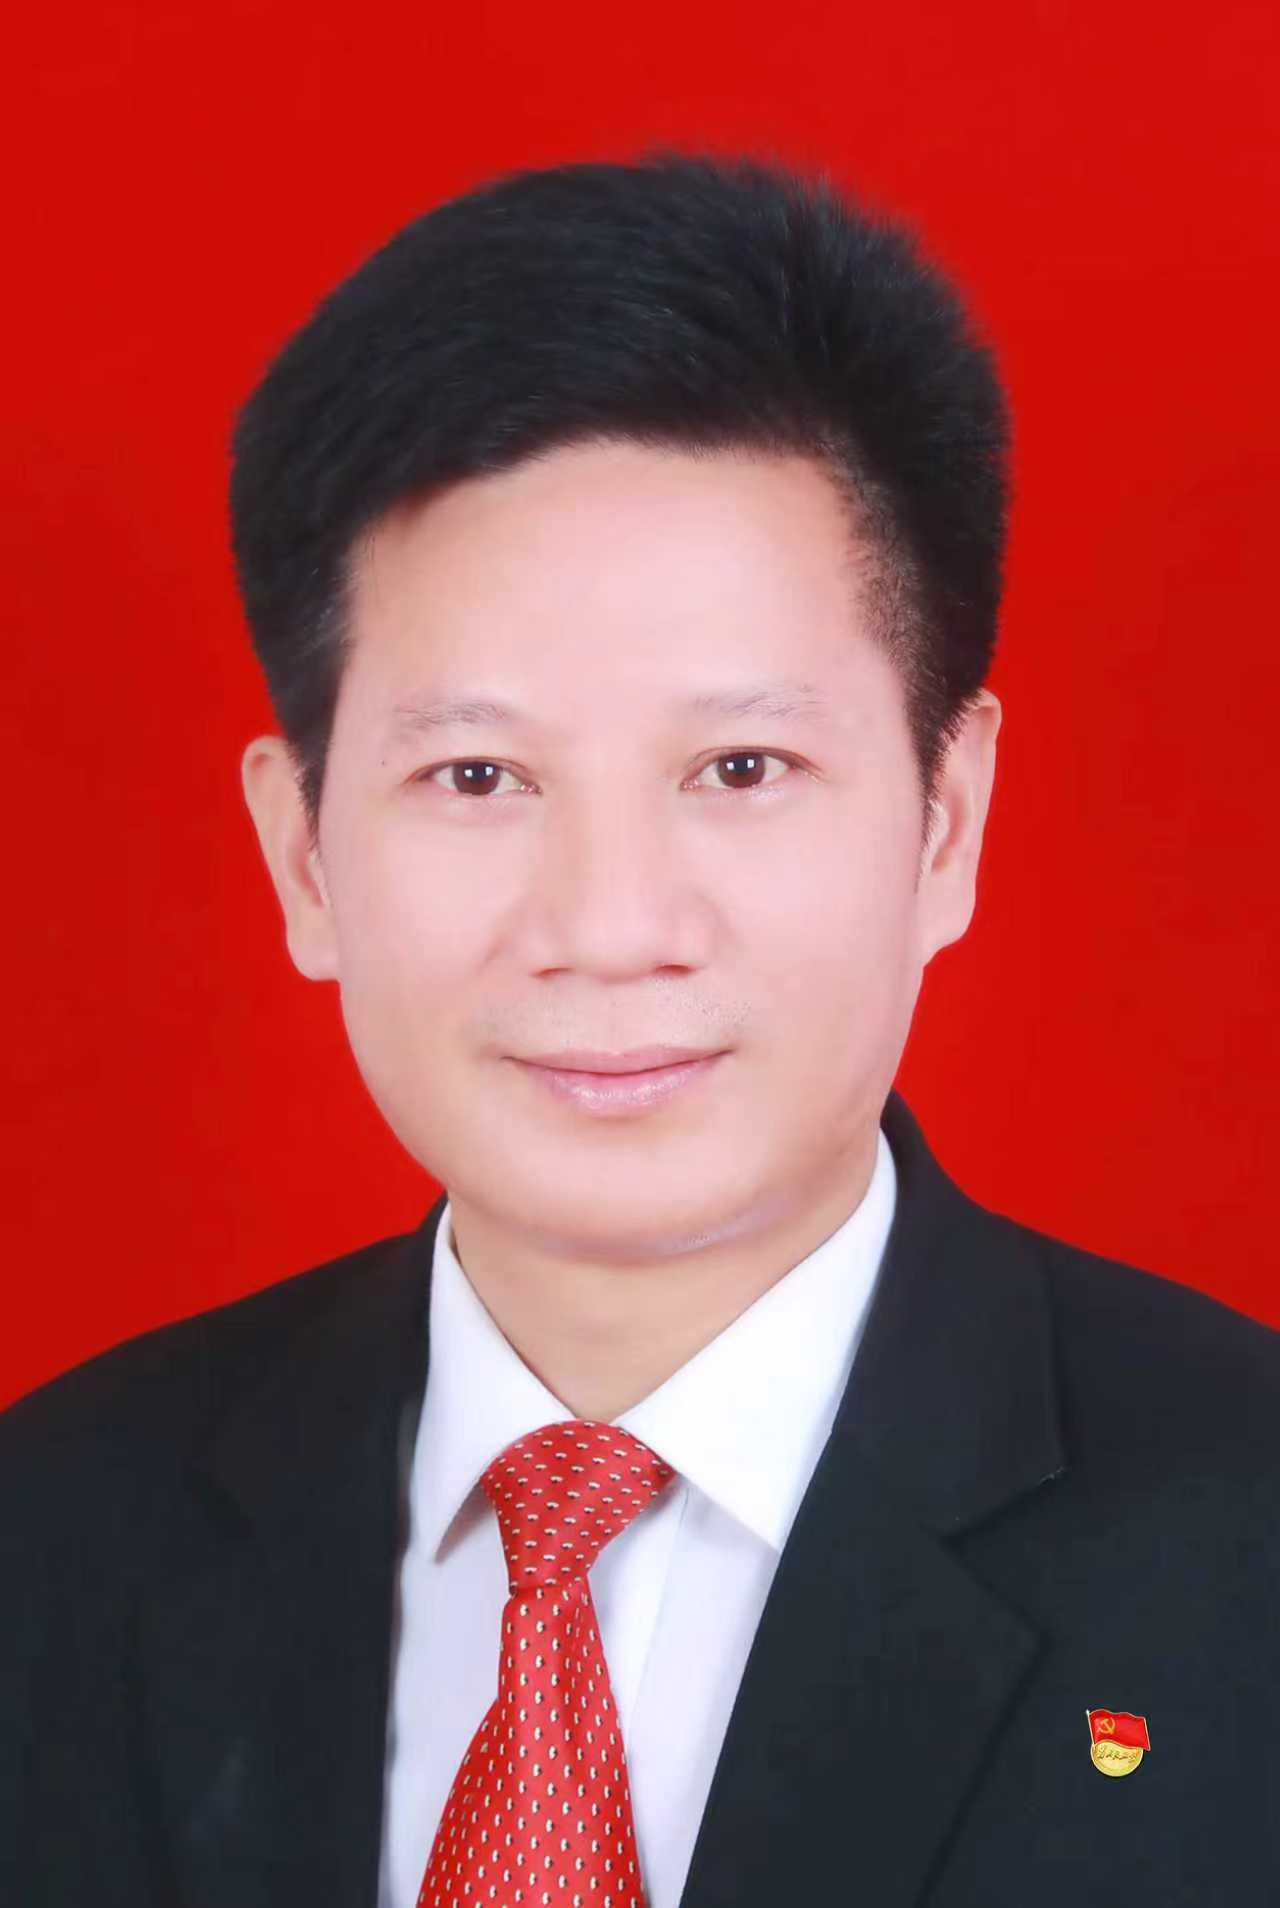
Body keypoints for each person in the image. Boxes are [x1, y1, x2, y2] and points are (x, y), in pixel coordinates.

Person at [2, 150, 1276, 1908]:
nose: (609, 929)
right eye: (477, 776)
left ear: (947, 822)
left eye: (741, 768)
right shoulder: (51, 1538)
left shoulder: (1247, 1542)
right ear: (301, 856)